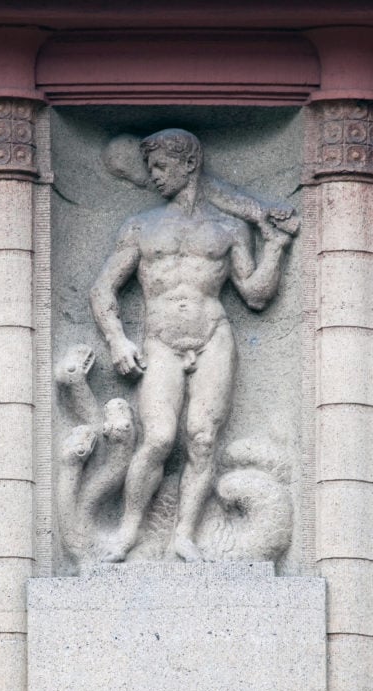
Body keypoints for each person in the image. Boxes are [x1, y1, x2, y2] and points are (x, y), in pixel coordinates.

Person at [90, 128, 294, 562]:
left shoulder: (229, 227)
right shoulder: (142, 226)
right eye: (150, 169)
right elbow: (103, 288)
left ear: (189, 164)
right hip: (161, 340)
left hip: (214, 336)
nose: (157, 176)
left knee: (202, 439)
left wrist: (274, 248)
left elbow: (255, 295)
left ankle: (184, 534)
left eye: (163, 166)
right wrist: (117, 341)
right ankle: (128, 531)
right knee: (159, 438)